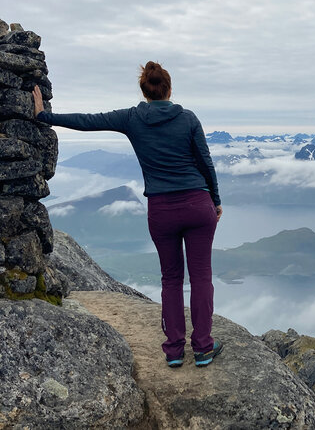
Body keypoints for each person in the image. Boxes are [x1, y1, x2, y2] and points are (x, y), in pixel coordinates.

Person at [32, 61, 224, 368]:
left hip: (162, 210)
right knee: (201, 277)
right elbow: (206, 162)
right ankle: (203, 348)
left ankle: (174, 351)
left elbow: (87, 120)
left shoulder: (132, 118)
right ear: (169, 89)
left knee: (171, 279)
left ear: (144, 91)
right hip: (198, 204)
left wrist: (45, 116)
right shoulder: (188, 119)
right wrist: (214, 200)